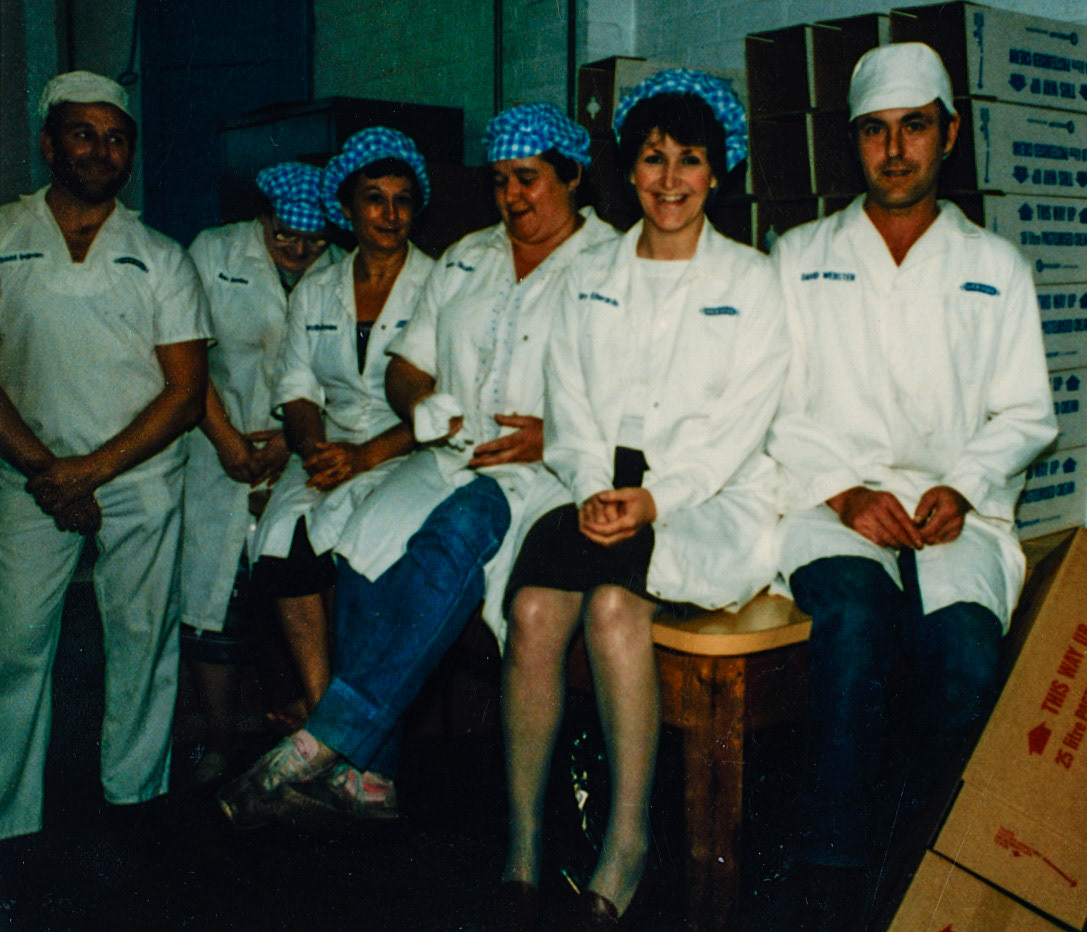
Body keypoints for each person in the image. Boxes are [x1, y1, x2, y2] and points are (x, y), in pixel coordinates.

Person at [218, 103, 617, 825]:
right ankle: (373, 781)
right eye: (498, 181)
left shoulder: (612, 264)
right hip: (453, 456)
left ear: (574, 174)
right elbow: (406, 366)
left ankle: (325, 741)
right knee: (367, 536)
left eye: (527, 179)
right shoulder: (471, 257)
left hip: (548, 472)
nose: (510, 198)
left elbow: (633, 397)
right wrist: (426, 401)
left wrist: (548, 435)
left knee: (457, 528)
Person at [765, 43, 1057, 929]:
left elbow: (1024, 412)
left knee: (966, 663)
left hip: (949, 515)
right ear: (851, 144)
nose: (894, 150)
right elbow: (766, 400)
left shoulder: (994, 267)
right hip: (830, 505)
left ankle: (922, 879)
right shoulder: (798, 257)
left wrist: (963, 487)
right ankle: (830, 877)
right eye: (874, 132)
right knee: (854, 625)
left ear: (950, 135)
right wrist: (844, 492)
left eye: (915, 128)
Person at [492, 70, 787, 930]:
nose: (668, 180)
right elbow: (569, 396)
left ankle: (626, 843)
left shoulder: (754, 281)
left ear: (716, 172)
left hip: (708, 497)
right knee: (539, 607)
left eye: (688, 160)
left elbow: (739, 426)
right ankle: (519, 849)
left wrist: (653, 502)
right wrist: (593, 487)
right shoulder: (590, 274)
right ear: (628, 169)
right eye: (652, 159)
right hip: (598, 485)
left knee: (616, 611)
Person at [0, 71, 211, 840]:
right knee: (13, 647)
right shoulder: (3, 236)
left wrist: (87, 474)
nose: (100, 149)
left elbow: (185, 392)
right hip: (26, 475)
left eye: (116, 136)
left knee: (142, 642)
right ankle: (9, 825)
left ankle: (135, 809)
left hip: (139, 476)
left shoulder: (159, 254)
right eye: (83, 133)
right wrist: (47, 474)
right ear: (50, 143)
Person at [248, 129, 434, 727]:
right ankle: (327, 713)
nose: (389, 213)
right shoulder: (318, 287)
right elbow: (297, 387)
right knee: (280, 548)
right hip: (327, 449)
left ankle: (340, 722)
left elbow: (448, 404)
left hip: (408, 451)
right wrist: (315, 448)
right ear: (347, 206)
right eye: (374, 197)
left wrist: (366, 456)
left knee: (359, 557)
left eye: (403, 199)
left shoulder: (443, 283)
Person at [178, 162, 339, 783]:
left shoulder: (339, 272)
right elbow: (185, 352)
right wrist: (226, 440)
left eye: (315, 240)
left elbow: (335, 377)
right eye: (285, 237)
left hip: (299, 449)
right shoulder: (212, 251)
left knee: (295, 590)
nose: (299, 251)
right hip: (213, 442)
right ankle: (218, 739)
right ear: (263, 218)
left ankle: (306, 735)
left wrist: (286, 445)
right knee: (211, 598)